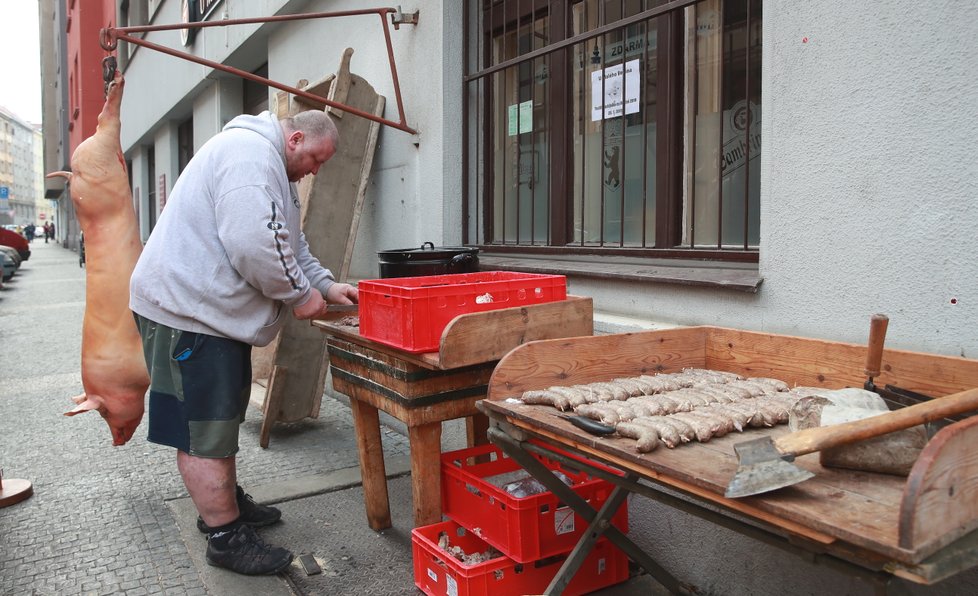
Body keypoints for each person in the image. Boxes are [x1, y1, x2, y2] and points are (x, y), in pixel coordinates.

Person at [129, 109, 356, 576]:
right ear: (295, 139)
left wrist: (328, 287)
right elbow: (255, 245)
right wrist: (300, 296)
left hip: (208, 316)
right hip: (188, 315)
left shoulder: (271, 165)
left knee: (220, 420)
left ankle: (224, 503)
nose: (316, 170)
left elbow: (290, 243)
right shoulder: (250, 158)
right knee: (204, 430)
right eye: (316, 159)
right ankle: (224, 536)